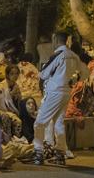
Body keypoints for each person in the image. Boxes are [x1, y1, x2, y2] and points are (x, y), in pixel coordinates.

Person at [30, 32, 73, 165]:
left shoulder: (57, 55)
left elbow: (43, 75)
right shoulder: (72, 55)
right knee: (59, 123)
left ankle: (38, 153)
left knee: (39, 123)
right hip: (66, 91)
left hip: (55, 92)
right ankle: (60, 155)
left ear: (55, 39)